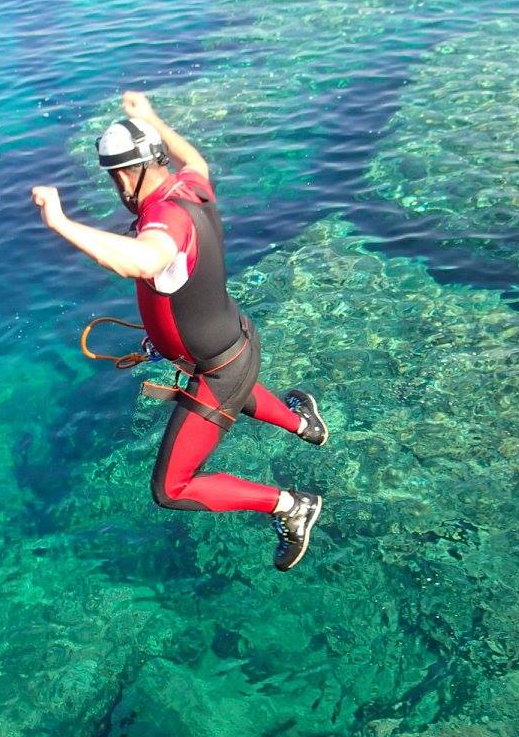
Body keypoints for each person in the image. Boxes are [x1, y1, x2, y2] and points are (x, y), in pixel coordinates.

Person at [31, 91, 327, 571]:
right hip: (235, 342)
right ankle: (304, 423)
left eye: (113, 179)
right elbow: (196, 158)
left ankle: (293, 507)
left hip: (218, 371)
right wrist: (150, 118)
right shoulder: (189, 186)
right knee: (239, 391)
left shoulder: (164, 219)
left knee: (171, 488)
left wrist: (60, 221)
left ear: (126, 174)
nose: (116, 189)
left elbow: (143, 260)